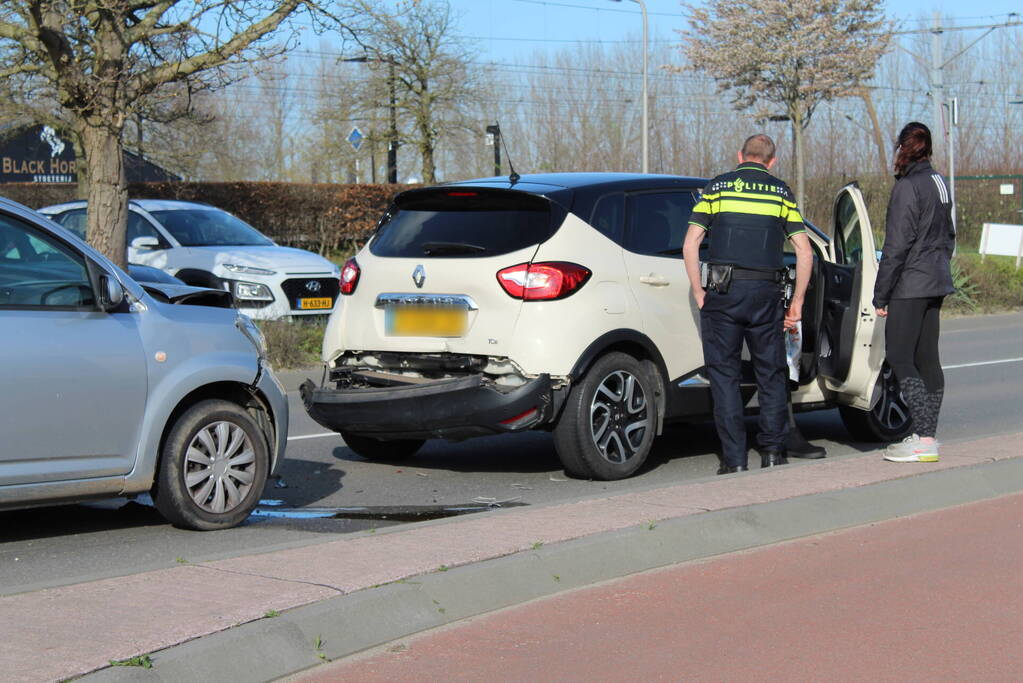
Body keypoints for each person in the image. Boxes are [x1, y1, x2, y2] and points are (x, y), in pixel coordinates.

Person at [683, 134, 813, 474]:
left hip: (723, 293)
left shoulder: (716, 189)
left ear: (740, 155)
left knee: (724, 375)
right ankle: (772, 453)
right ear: (772, 161)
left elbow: (691, 242)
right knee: (771, 373)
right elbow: (804, 250)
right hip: (766, 294)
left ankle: (734, 460)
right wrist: (797, 301)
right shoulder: (781, 192)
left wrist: (698, 290)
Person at [873, 122, 955, 463]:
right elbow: (948, 235)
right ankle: (927, 436)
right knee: (928, 360)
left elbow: (896, 246)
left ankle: (923, 438)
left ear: (901, 149)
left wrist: (881, 294)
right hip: (935, 280)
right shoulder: (939, 182)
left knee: (901, 357)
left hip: (910, 284)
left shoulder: (908, 187)